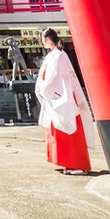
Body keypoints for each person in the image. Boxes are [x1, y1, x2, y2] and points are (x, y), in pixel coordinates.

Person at [35, 28, 94, 175]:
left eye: (43, 39)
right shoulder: (54, 56)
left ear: (48, 39)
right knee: (59, 129)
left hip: (63, 96)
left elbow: (55, 76)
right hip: (56, 96)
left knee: (68, 127)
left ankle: (77, 164)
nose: (42, 42)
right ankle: (66, 161)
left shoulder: (59, 56)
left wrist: (45, 89)